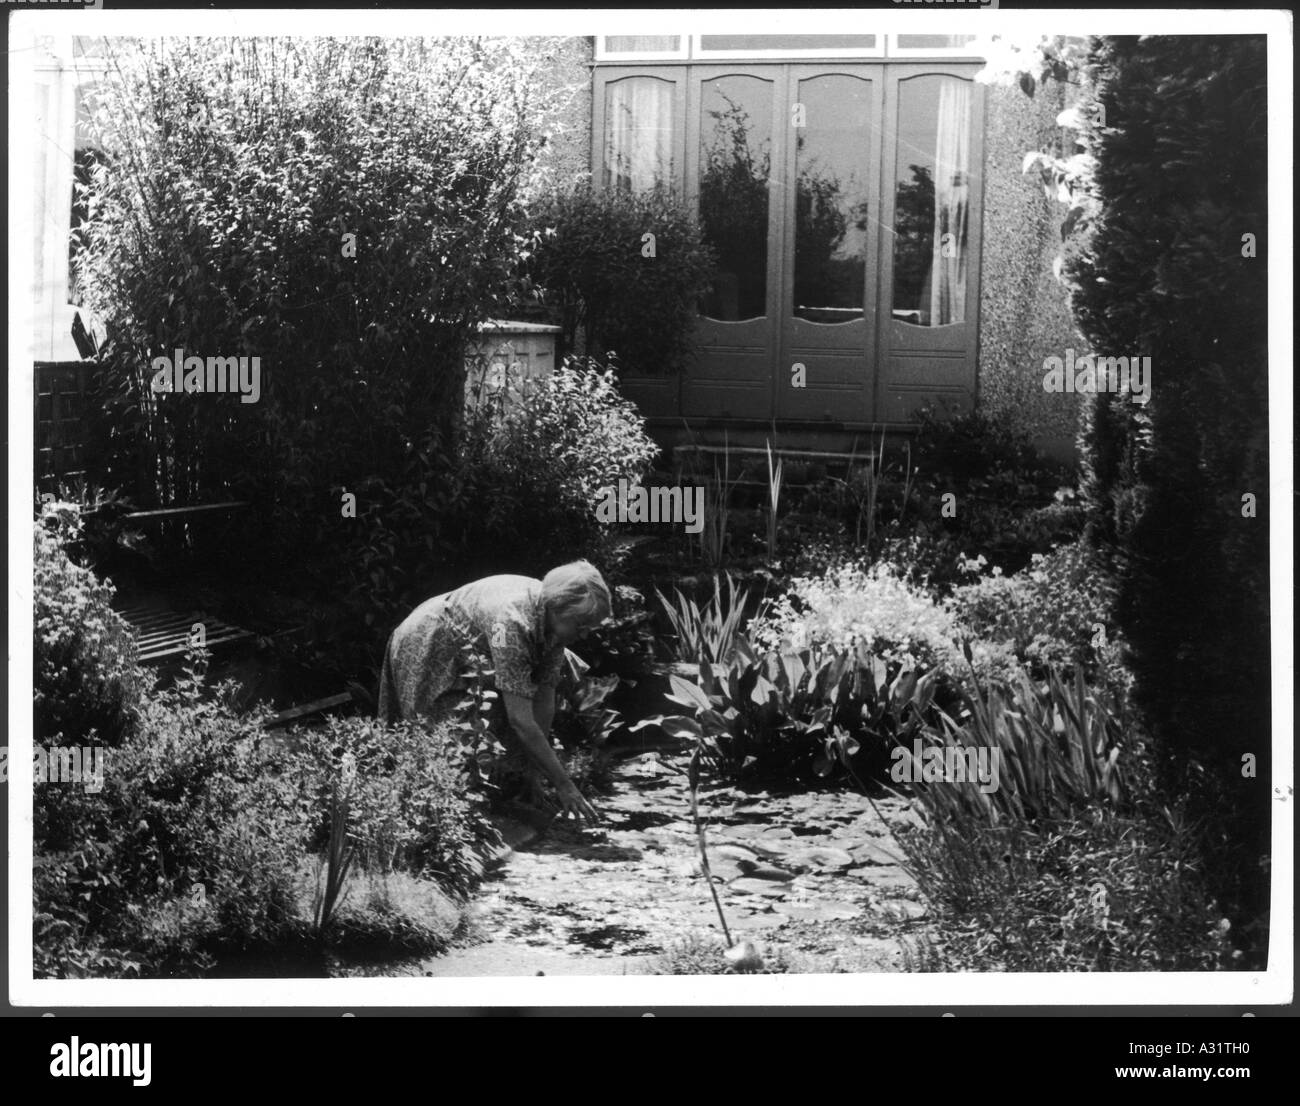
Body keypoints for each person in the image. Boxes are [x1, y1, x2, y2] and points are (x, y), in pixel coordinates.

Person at [377, 560, 609, 823]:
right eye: (581, 626)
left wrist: (536, 772)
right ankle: (428, 818)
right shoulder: (511, 622)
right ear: (557, 608)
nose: (586, 634)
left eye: (591, 627)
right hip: (430, 640)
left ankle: (491, 804)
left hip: (472, 647)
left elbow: (544, 699)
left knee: (482, 734)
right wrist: (565, 785)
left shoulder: (554, 626)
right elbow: (520, 719)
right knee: (438, 735)